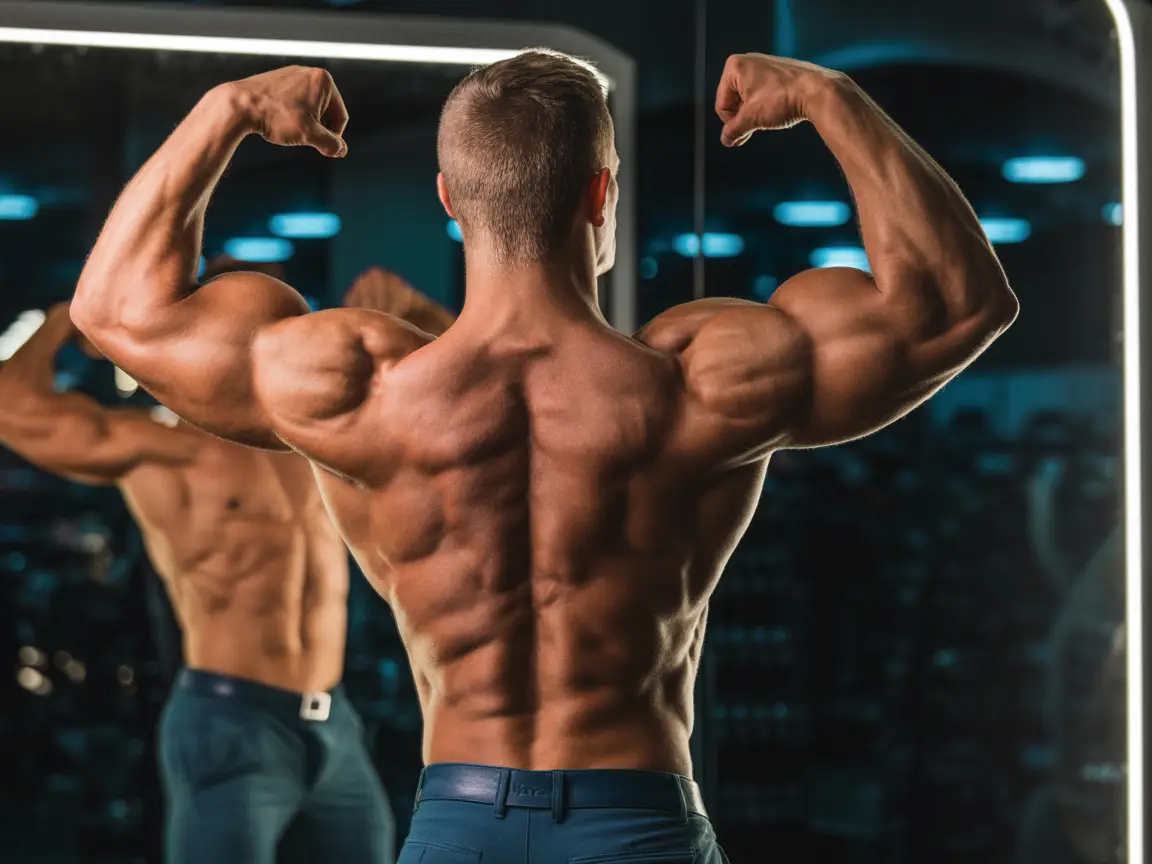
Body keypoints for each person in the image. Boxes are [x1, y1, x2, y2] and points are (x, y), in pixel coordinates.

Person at [71, 49, 1018, 863]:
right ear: (601, 193)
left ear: (449, 198)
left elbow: (116, 310)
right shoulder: (708, 383)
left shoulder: (357, 389)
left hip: (460, 824)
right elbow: (959, 304)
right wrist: (827, 97)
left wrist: (226, 110)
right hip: (637, 822)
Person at [0, 259, 451, 864]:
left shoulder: (316, 437)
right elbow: (11, 407)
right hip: (230, 719)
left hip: (334, 722)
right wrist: (66, 318)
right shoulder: (166, 450)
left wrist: (420, 313)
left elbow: (472, 403)